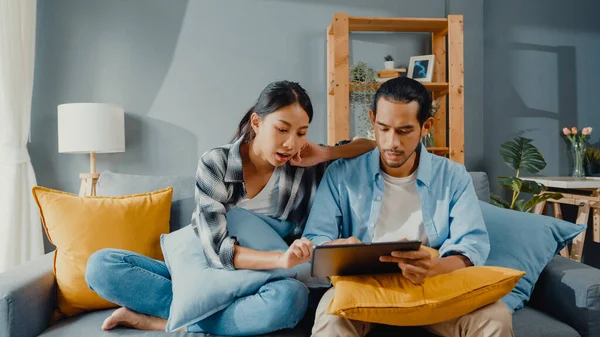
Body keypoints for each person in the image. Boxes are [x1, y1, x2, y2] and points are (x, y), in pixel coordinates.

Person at [84, 80, 375, 335]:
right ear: (257, 123)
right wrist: (281, 259)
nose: (290, 143)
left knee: (289, 300)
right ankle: (187, 319)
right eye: (282, 129)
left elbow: (371, 145)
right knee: (101, 266)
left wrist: (326, 152)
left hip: (262, 281)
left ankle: (167, 322)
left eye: (301, 133)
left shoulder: (303, 165)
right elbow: (218, 252)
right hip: (211, 271)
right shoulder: (217, 163)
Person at [303, 77, 514, 337]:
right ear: (372, 120)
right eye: (383, 128)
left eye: (404, 131)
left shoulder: (453, 177)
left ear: (426, 126)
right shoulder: (341, 175)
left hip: (433, 284)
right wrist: (334, 249)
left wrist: (434, 267)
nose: (392, 143)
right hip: (362, 288)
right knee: (331, 319)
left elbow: (471, 246)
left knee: (495, 316)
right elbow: (315, 237)